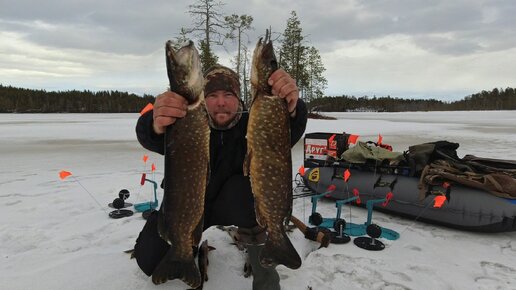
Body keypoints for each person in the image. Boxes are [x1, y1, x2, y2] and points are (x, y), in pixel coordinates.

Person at [134, 64, 308, 290]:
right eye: (213, 95)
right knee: (150, 260)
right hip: (188, 208)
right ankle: (188, 246)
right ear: (204, 99)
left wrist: (293, 108)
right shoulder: (188, 123)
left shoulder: (255, 123)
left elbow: (286, 132)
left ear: (239, 98)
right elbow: (151, 137)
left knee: (250, 191)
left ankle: (258, 244)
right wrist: (156, 124)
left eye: (228, 95)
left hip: (236, 205)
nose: (221, 102)